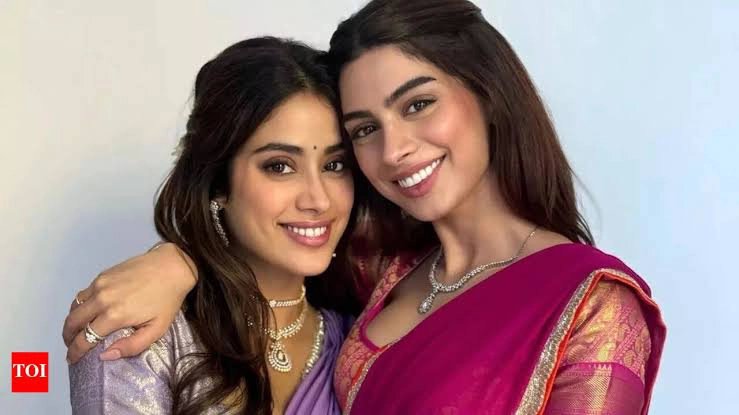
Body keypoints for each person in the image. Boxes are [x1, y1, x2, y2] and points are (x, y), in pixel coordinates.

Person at [64, 1, 666, 413]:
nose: (395, 150)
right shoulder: (381, 271)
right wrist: (179, 260)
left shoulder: (593, 304)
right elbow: (262, 259)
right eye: (364, 130)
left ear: (488, 95)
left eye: (418, 104)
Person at [67, 37, 361, 415]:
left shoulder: (360, 341)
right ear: (218, 183)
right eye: (279, 166)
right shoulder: (139, 327)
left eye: (334, 165)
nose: (318, 200)